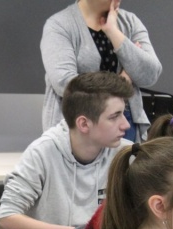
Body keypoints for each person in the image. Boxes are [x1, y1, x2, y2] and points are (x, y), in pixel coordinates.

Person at [0, 71, 133, 229]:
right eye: (114, 116)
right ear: (84, 124)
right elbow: (6, 219)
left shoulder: (127, 154)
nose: (126, 125)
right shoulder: (42, 152)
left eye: (124, 114)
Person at [40, 0, 162, 142]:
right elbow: (65, 83)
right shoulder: (59, 25)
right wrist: (124, 80)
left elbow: (150, 74)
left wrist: (113, 32)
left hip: (124, 122)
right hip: (79, 125)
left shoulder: (130, 22)